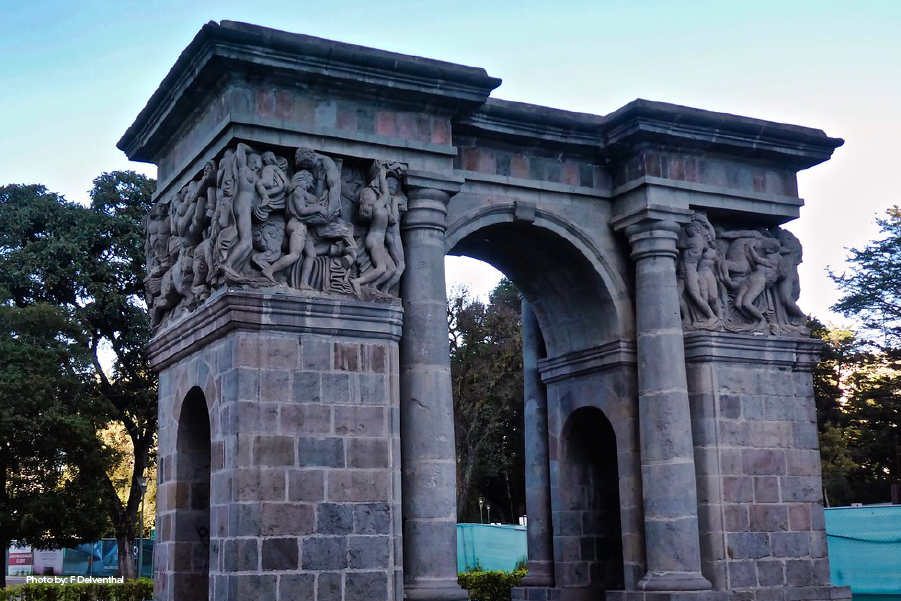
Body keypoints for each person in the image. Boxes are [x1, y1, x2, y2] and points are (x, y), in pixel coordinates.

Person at [261, 170, 327, 284]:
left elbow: (316, 199)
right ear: (303, 179)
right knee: (294, 255)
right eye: (310, 182)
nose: (311, 185)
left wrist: (320, 181)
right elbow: (301, 210)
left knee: (311, 254)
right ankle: (269, 270)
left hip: (303, 227)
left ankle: (303, 283)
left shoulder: (299, 192)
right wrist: (318, 209)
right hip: (297, 225)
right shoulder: (298, 191)